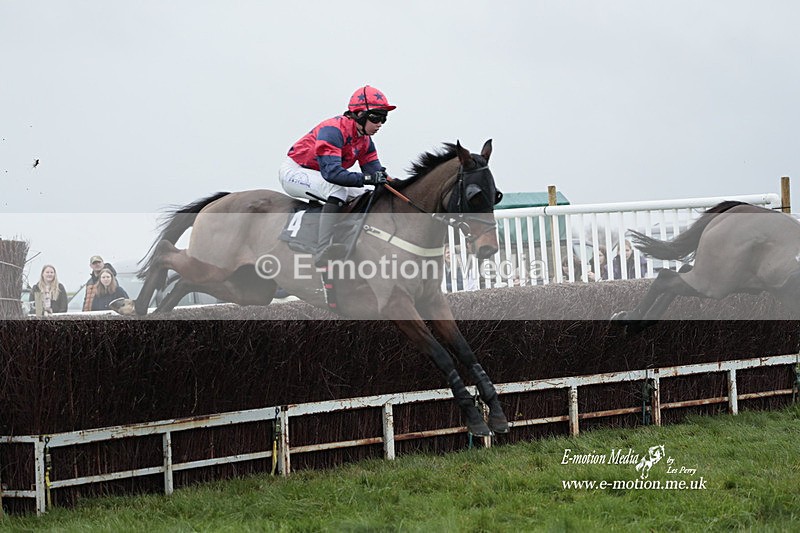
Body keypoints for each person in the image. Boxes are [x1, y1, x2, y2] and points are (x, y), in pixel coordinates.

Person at [278, 85, 396, 266]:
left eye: (384, 118)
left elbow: (376, 173)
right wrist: (368, 179)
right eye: (376, 117)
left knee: (364, 195)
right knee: (337, 191)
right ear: (359, 115)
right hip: (295, 171)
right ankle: (323, 250)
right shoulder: (333, 130)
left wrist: (400, 186)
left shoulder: (365, 140)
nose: (380, 123)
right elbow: (332, 174)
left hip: (321, 174)